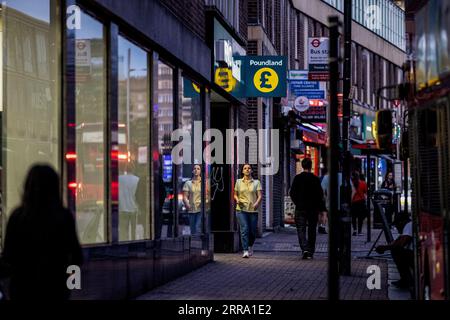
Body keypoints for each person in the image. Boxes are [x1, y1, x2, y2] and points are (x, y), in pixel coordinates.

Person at [0, 164, 83, 300]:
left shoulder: (18, 217)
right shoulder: (63, 217)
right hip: (55, 289)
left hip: (23, 289)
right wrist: (72, 286)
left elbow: (9, 258)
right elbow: (76, 257)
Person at [289, 158, 327, 260]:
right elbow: (320, 196)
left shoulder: (297, 178)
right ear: (311, 166)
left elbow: (292, 193)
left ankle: (304, 249)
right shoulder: (315, 179)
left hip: (300, 208)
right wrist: (322, 210)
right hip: (313, 209)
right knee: (312, 230)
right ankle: (310, 251)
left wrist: (298, 202)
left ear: (302, 166)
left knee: (300, 229)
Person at [376, 211, 414, 289]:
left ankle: (406, 280)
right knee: (396, 249)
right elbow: (397, 241)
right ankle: (406, 279)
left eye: (397, 225)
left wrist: (385, 248)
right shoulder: (407, 227)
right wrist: (385, 247)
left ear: (401, 222)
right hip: (413, 254)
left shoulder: (409, 225)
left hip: (414, 255)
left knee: (397, 251)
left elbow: (402, 242)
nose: (396, 228)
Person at [234, 163, 262, 258]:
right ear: (242, 171)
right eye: (245, 168)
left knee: (253, 231)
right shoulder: (238, 182)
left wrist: (256, 204)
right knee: (244, 229)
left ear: (251, 170)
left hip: (253, 210)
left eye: (249, 168)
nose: (247, 170)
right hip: (241, 210)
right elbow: (235, 194)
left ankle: (250, 245)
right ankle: (245, 250)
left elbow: (260, 196)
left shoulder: (256, 182)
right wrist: (237, 200)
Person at [119, 162, 140, 241]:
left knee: (124, 230)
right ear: (133, 169)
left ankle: (125, 244)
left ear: (125, 169)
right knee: (133, 230)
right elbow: (138, 195)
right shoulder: (137, 179)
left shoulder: (120, 179)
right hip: (134, 208)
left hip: (122, 208)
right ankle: (133, 243)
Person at [183, 164, 203, 235]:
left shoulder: (204, 183)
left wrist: (205, 203)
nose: (196, 170)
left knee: (198, 228)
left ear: (200, 171)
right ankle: (195, 244)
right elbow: (185, 196)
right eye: (195, 168)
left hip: (201, 209)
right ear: (192, 171)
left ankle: (200, 244)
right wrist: (187, 204)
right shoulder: (188, 183)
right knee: (193, 230)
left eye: (198, 169)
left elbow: (208, 196)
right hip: (192, 209)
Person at [351, 171, 368, 236]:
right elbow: (365, 193)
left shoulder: (351, 183)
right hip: (361, 202)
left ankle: (354, 230)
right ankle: (359, 231)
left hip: (354, 202)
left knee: (354, 217)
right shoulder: (363, 183)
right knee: (360, 217)